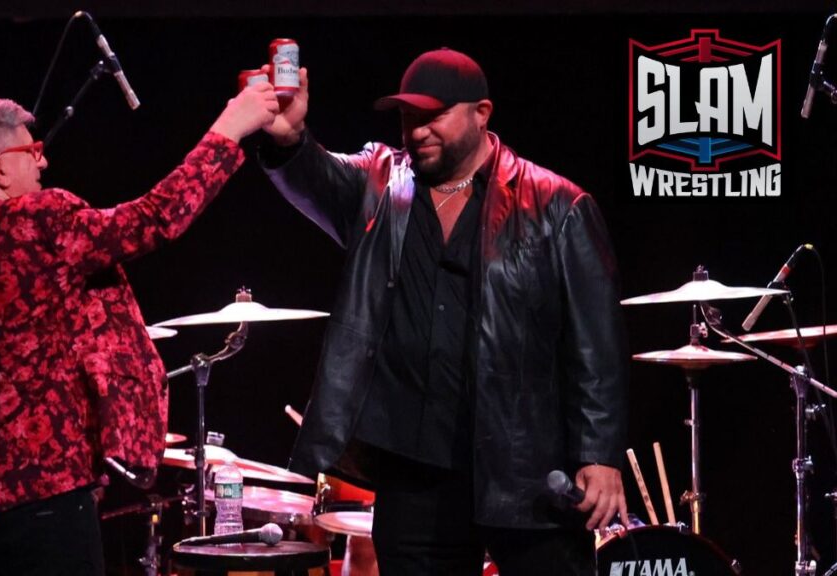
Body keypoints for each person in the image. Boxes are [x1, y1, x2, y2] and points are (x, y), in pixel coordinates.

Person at [0, 85, 279, 575]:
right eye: (32, 152)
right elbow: (156, 218)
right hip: (49, 506)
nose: (42, 165)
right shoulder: (41, 223)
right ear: (0, 167)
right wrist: (229, 128)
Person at [260, 48, 629, 575]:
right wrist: (288, 138)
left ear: (482, 113)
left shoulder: (556, 205)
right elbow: (314, 175)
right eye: (408, 117)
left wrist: (599, 452)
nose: (417, 131)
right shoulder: (381, 185)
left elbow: (598, 345)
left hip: (524, 470)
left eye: (433, 116)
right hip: (414, 474)